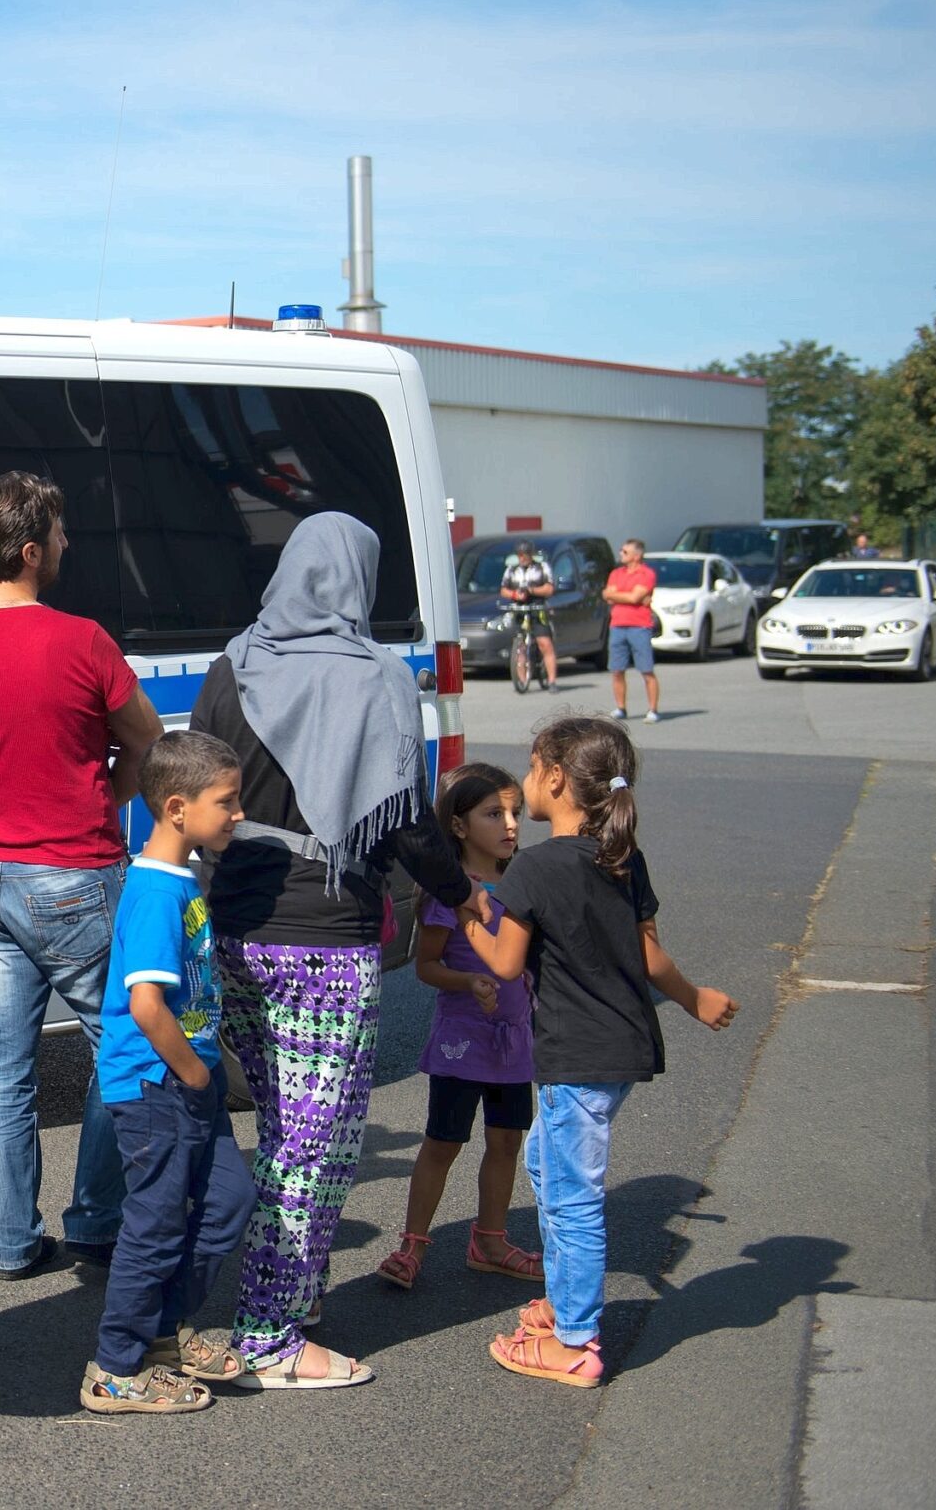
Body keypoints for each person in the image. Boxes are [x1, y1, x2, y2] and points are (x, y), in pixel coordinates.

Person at [188, 511, 487, 1386]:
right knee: (313, 1143)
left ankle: (299, 1282)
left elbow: (197, 796)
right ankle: (270, 1337)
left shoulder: (231, 666)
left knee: (282, 1126)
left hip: (236, 933)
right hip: (326, 940)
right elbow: (406, 828)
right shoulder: (378, 679)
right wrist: (464, 897)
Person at [457, 716, 738, 1385]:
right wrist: (694, 999)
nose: (525, 784)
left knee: (569, 1195)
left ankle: (576, 1342)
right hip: (620, 1049)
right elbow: (647, 951)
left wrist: (469, 911)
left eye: (530, 770)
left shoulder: (534, 866)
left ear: (555, 778)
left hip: (575, 1056)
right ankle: (562, 1306)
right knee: (552, 1174)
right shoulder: (621, 856)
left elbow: (503, 963)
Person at [0, 472, 158, 1279]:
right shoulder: (82, 641)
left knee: (1, 1068)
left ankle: (9, 1239)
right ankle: (97, 1220)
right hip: (75, 874)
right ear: (31, 551)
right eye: (60, 536)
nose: (69, 546)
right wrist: (108, 789)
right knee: (121, 1048)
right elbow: (146, 737)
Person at [80, 729, 260, 1413]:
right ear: (178, 807)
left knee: (228, 1203)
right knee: (153, 1225)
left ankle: (161, 1331)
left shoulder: (178, 876)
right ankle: (116, 1367)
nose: (236, 813)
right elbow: (147, 1004)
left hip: (187, 1081)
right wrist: (194, 1076)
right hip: (159, 1085)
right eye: (228, 801)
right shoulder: (155, 890)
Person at [377, 762, 541, 1293]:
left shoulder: (524, 886)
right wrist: (468, 983)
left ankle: (490, 1241)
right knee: (442, 1142)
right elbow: (426, 967)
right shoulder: (451, 895)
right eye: (495, 813)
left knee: (505, 1142)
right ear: (460, 826)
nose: (511, 824)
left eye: (515, 812)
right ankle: (411, 1246)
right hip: (462, 1043)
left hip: (514, 1041)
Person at [604, 539, 661, 723]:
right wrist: (627, 597)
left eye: (625, 552)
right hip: (617, 625)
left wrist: (621, 596)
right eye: (621, 551)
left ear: (637, 555)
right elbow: (607, 595)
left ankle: (652, 709)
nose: (621, 554)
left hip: (639, 626)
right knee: (617, 670)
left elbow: (636, 597)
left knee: (646, 669)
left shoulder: (647, 574)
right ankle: (621, 707)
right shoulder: (616, 573)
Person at [499, 540, 559, 689]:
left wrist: (531, 591)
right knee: (520, 647)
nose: (522, 558)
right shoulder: (511, 570)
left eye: (525, 555)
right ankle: (522, 679)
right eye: (520, 555)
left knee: (545, 643)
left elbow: (549, 588)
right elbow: (503, 590)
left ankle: (551, 681)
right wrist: (515, 594)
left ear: (531, 555)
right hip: (520, 609)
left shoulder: (542, 567)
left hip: (537, 609)